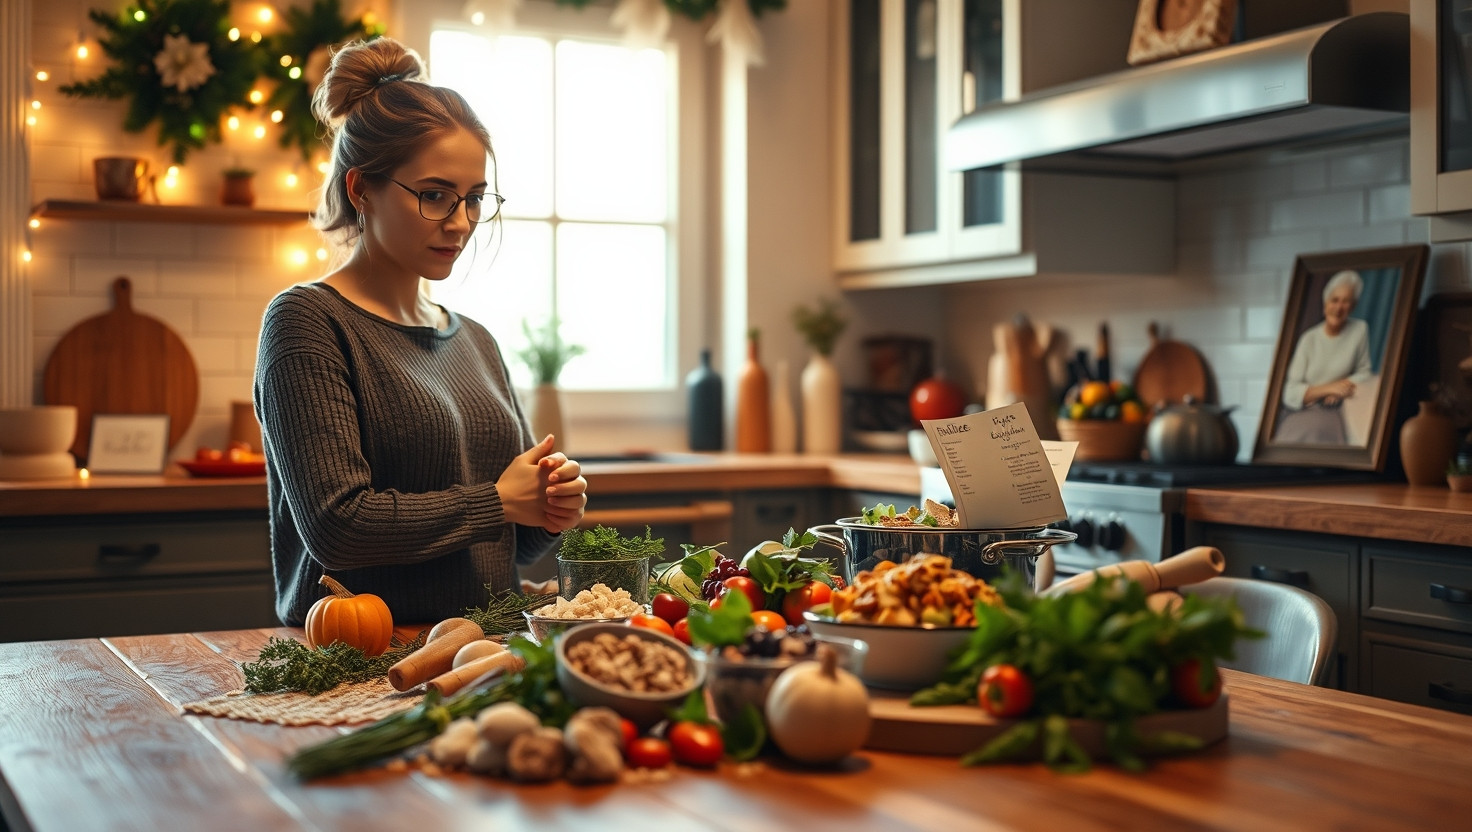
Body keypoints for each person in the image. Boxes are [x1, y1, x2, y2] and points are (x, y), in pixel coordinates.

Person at [253, 38, 586, 626]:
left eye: (475, 199)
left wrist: (546, 508)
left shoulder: (476, 340)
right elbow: (337, 526)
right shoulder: (306, 321)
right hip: (359, 656)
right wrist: (499, 501)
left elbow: (502, 540)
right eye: (435, 196)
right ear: (360, 189)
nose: (460, 223)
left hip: (483, 650)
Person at [1273, 269, 1374, 445]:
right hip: (1303, 409)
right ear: (1325, 303)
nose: (1339, 307)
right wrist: (1330, 388)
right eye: (1334, 300)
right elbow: (1289, 392)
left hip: (1335, 410)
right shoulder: (1309, 339)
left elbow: (1365, 372)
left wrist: (1342, 388)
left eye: (1346, 301)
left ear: (1354, 306)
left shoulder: (1359, 330)